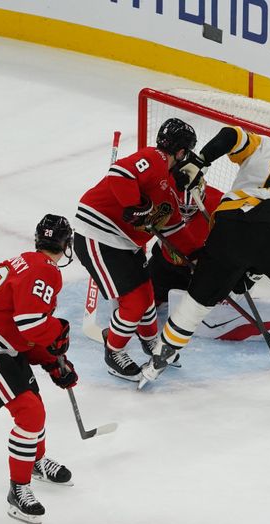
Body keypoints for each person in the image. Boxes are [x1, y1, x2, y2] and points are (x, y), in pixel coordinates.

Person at [140, 122, 270, 403]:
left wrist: (200, 161)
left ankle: (157, 361)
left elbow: (230, 135)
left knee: (198, 300)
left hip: (227, 225)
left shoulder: (265, 145)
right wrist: (254, 271)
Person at [0, 214, 77, 524]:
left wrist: (51, 361)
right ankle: (17, 490)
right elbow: (31, 325)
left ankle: (35, 460)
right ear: (66, 245)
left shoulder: (26, 261)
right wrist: (57, 331)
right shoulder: (46, 271)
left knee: (35, 406)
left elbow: (22, 327)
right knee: (29, 412)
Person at [73, 118, 198, 381]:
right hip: (99, 234)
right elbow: (120, 173)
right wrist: (134, 204)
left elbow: (175, 232)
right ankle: (114, 351)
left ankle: (150, 340)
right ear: (181, 152)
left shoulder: (170, 190)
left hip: (126, 243)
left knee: (146, 295)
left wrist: (198, 257)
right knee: (134, 304)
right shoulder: (155, 158)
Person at [148, 181, 223, 307]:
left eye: (191, 209)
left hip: (197, 266)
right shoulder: (166, 197)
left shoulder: (220, 204)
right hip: (167, 257)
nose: (186, 214)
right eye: (182, 208)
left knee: (191, 303)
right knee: (150, 294)